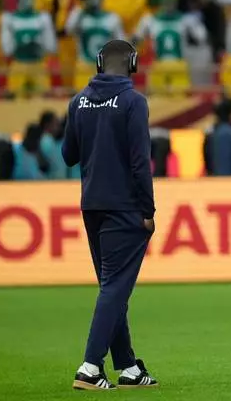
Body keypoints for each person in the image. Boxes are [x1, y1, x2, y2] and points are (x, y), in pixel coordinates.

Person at [61, 39, 159, 390]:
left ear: (99, 63)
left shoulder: (78, 102)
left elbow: (68, 155)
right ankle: (90, 366)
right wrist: (148, 209)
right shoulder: (134, 102)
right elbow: (139, 162)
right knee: (116, 288)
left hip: (92, 204)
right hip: (126, 207)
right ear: (132, 64)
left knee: (110, 286)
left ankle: (128, 368)